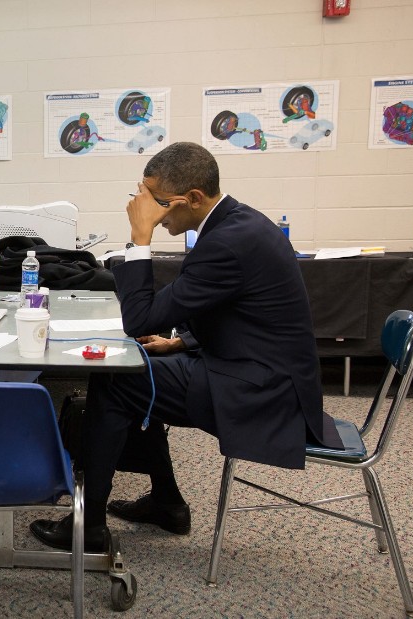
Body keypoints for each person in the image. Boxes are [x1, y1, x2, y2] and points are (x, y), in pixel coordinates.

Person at [30, 141, 343, 551]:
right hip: (262, 370)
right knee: (139, 371)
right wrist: (179, 343)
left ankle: (88, 527)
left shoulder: (226, 243)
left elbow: (139, 319)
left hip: (261, 392)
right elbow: (244, 315)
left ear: (193, 198)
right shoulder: (237, 223)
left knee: (117, 381)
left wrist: (138, 238)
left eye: (157, 203)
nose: (152, 214)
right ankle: (166, 503)